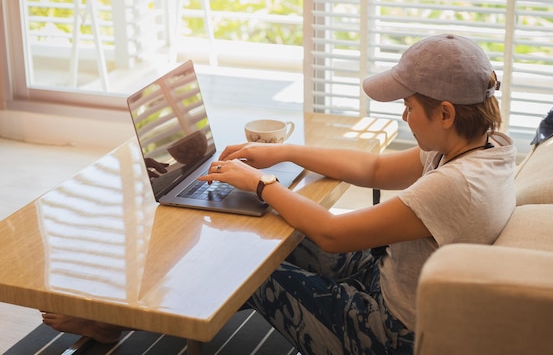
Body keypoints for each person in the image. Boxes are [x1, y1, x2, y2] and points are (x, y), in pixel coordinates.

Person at [43, 34, 517, 354]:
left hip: (392, 332)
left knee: (248, 272)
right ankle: (121, 315)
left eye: (409, 107)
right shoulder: (482, 146)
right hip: (395, 279)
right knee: (265, 233)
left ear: (447, 113)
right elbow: (372, 167)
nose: (403, 118)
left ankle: (115, 322)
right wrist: (284, 152)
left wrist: (260, 184)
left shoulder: (455, 186)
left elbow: (333, 234)